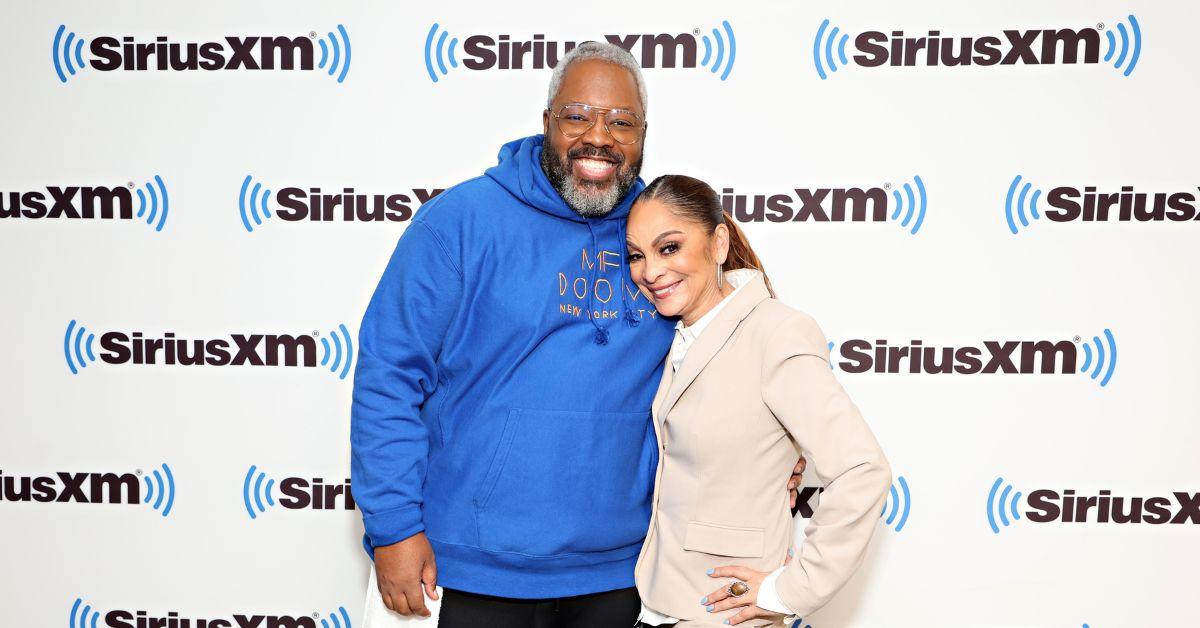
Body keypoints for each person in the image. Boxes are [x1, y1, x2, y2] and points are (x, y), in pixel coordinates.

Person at [351, 44, 805, 627]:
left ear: (644, 134)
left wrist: (779, 447)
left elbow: (736, 345)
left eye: (621, 122)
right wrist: (392, 528)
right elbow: (388, 377)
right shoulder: (460, 223)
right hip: (464, 568)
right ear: (546, 124)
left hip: (623, 574)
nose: (600, 137)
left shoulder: (659, 236)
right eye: (578, 117)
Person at [625, 175, 892, 627]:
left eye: (669, 247)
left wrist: (791, 590)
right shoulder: (674, 337)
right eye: (636, 255)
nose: (650, 271)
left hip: (722, 614)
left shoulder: (775, 331)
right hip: (661, 603)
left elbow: (862, 470)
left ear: (719, 243)